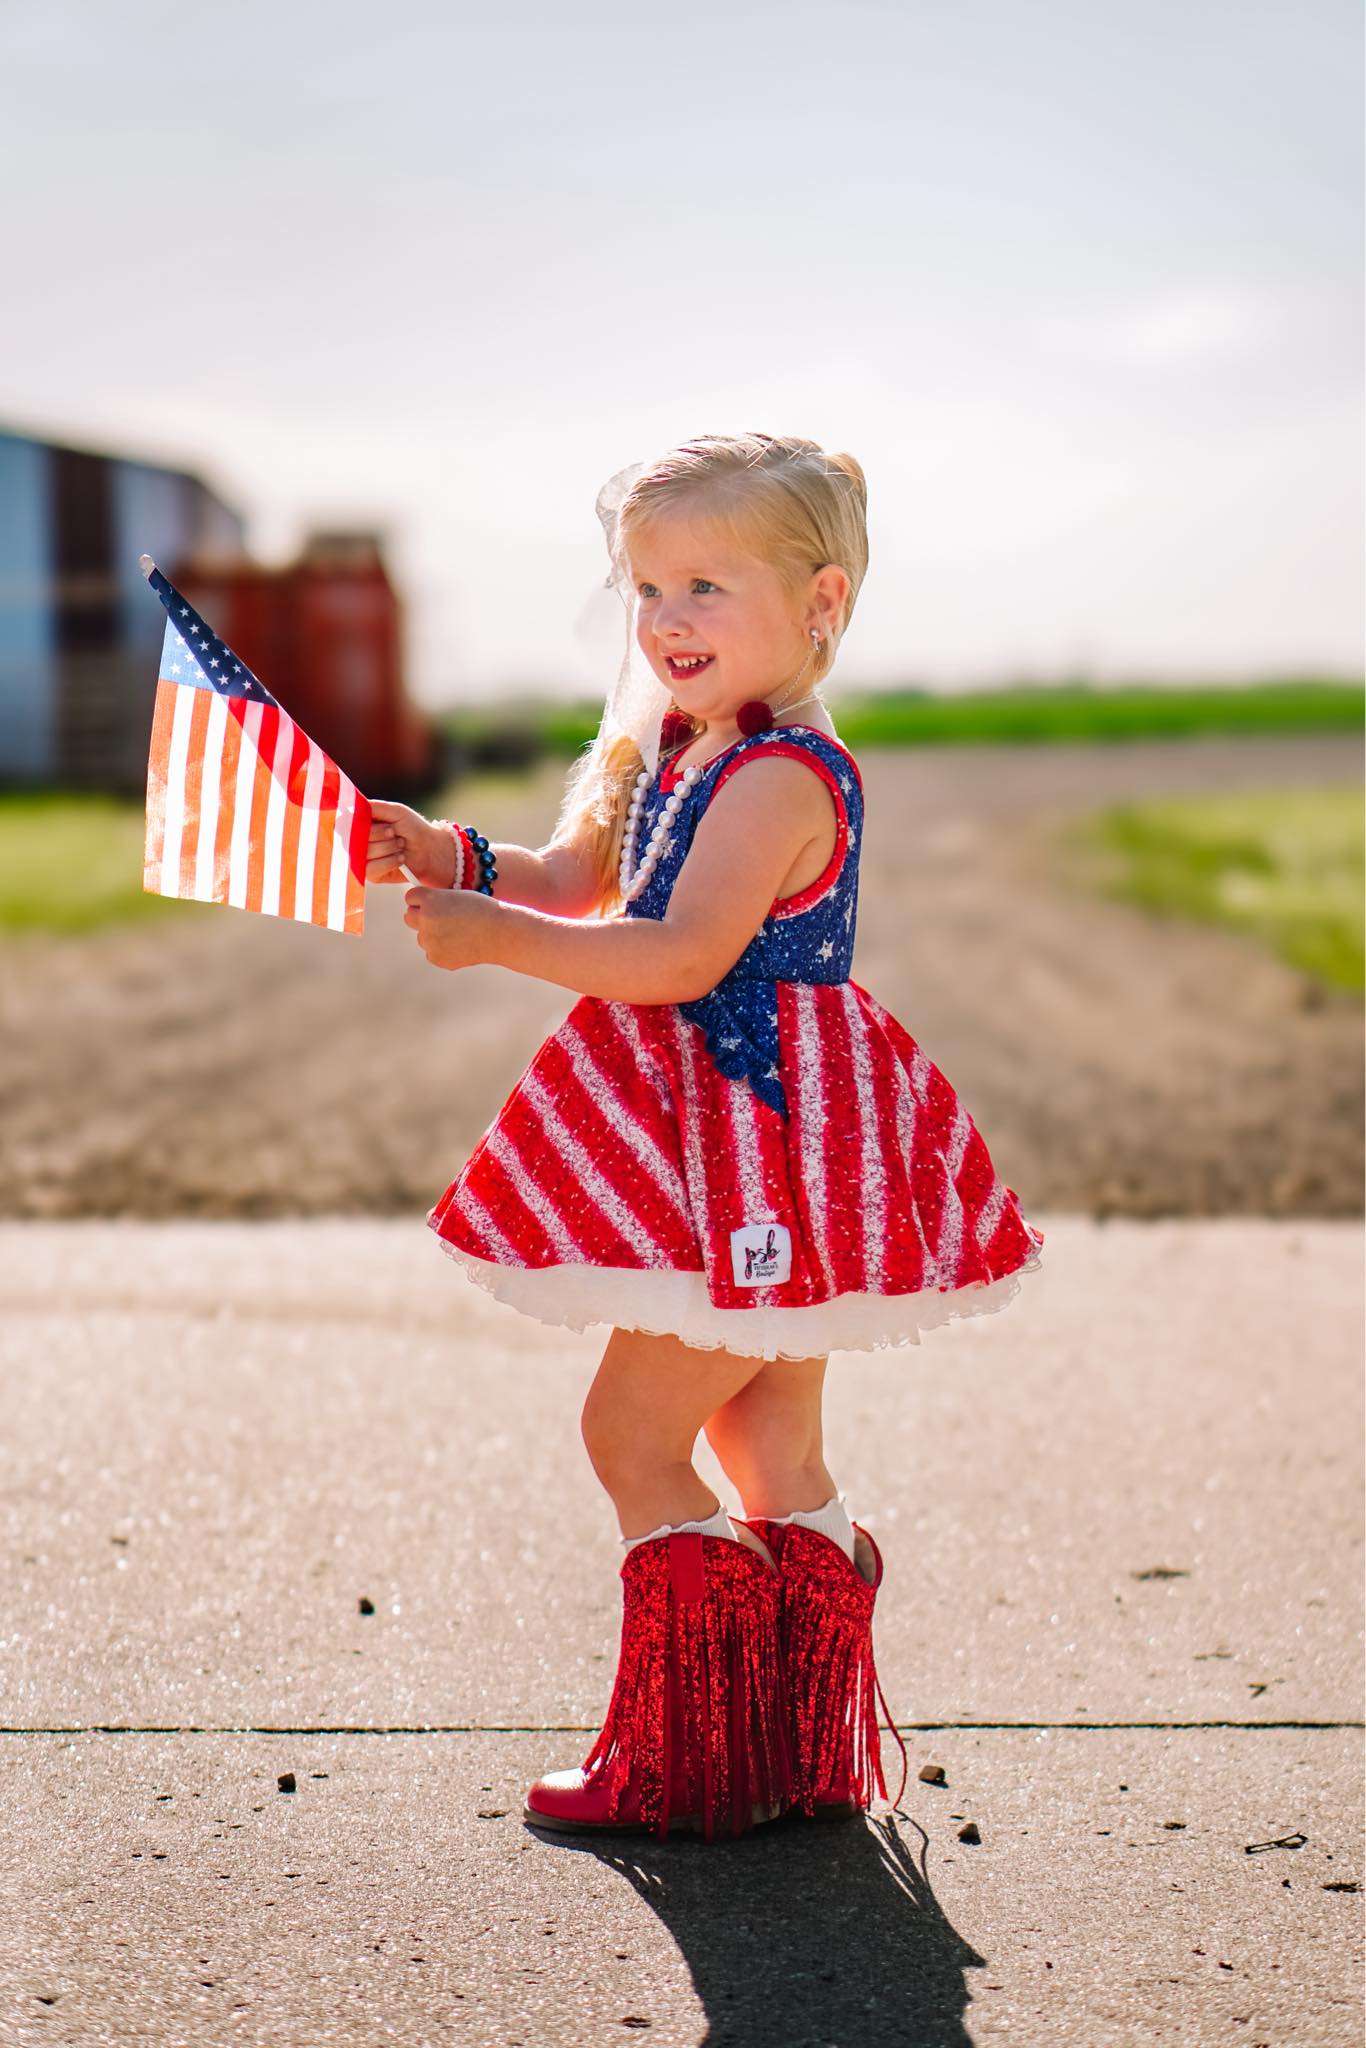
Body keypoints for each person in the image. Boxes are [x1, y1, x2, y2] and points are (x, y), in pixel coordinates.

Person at [366, 431, 1045, 1843]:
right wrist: (455, 858)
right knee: (761, 1433)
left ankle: (688, 1749)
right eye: (647, 588)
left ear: (820, 604)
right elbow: (573, 876)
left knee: (628, 1429)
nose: (666, 620)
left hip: (761, 1147)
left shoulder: (783, 776)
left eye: (704, 587)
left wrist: (495, 943)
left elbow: (676, 955)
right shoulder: (671, 749)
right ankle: (791, 1740)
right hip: (725, 1143)